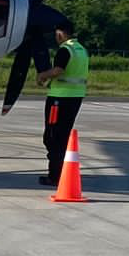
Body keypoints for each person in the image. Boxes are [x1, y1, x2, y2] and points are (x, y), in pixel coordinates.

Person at [34, 19, 88, 187]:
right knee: (63, 136)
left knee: (52, 137)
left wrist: (42, 75)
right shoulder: (81, 50)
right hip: (76, 97)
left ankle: (54, 176)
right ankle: (62, 172)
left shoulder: (65, 49)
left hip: (59, 98)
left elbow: (58, 70)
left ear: (60, 33)